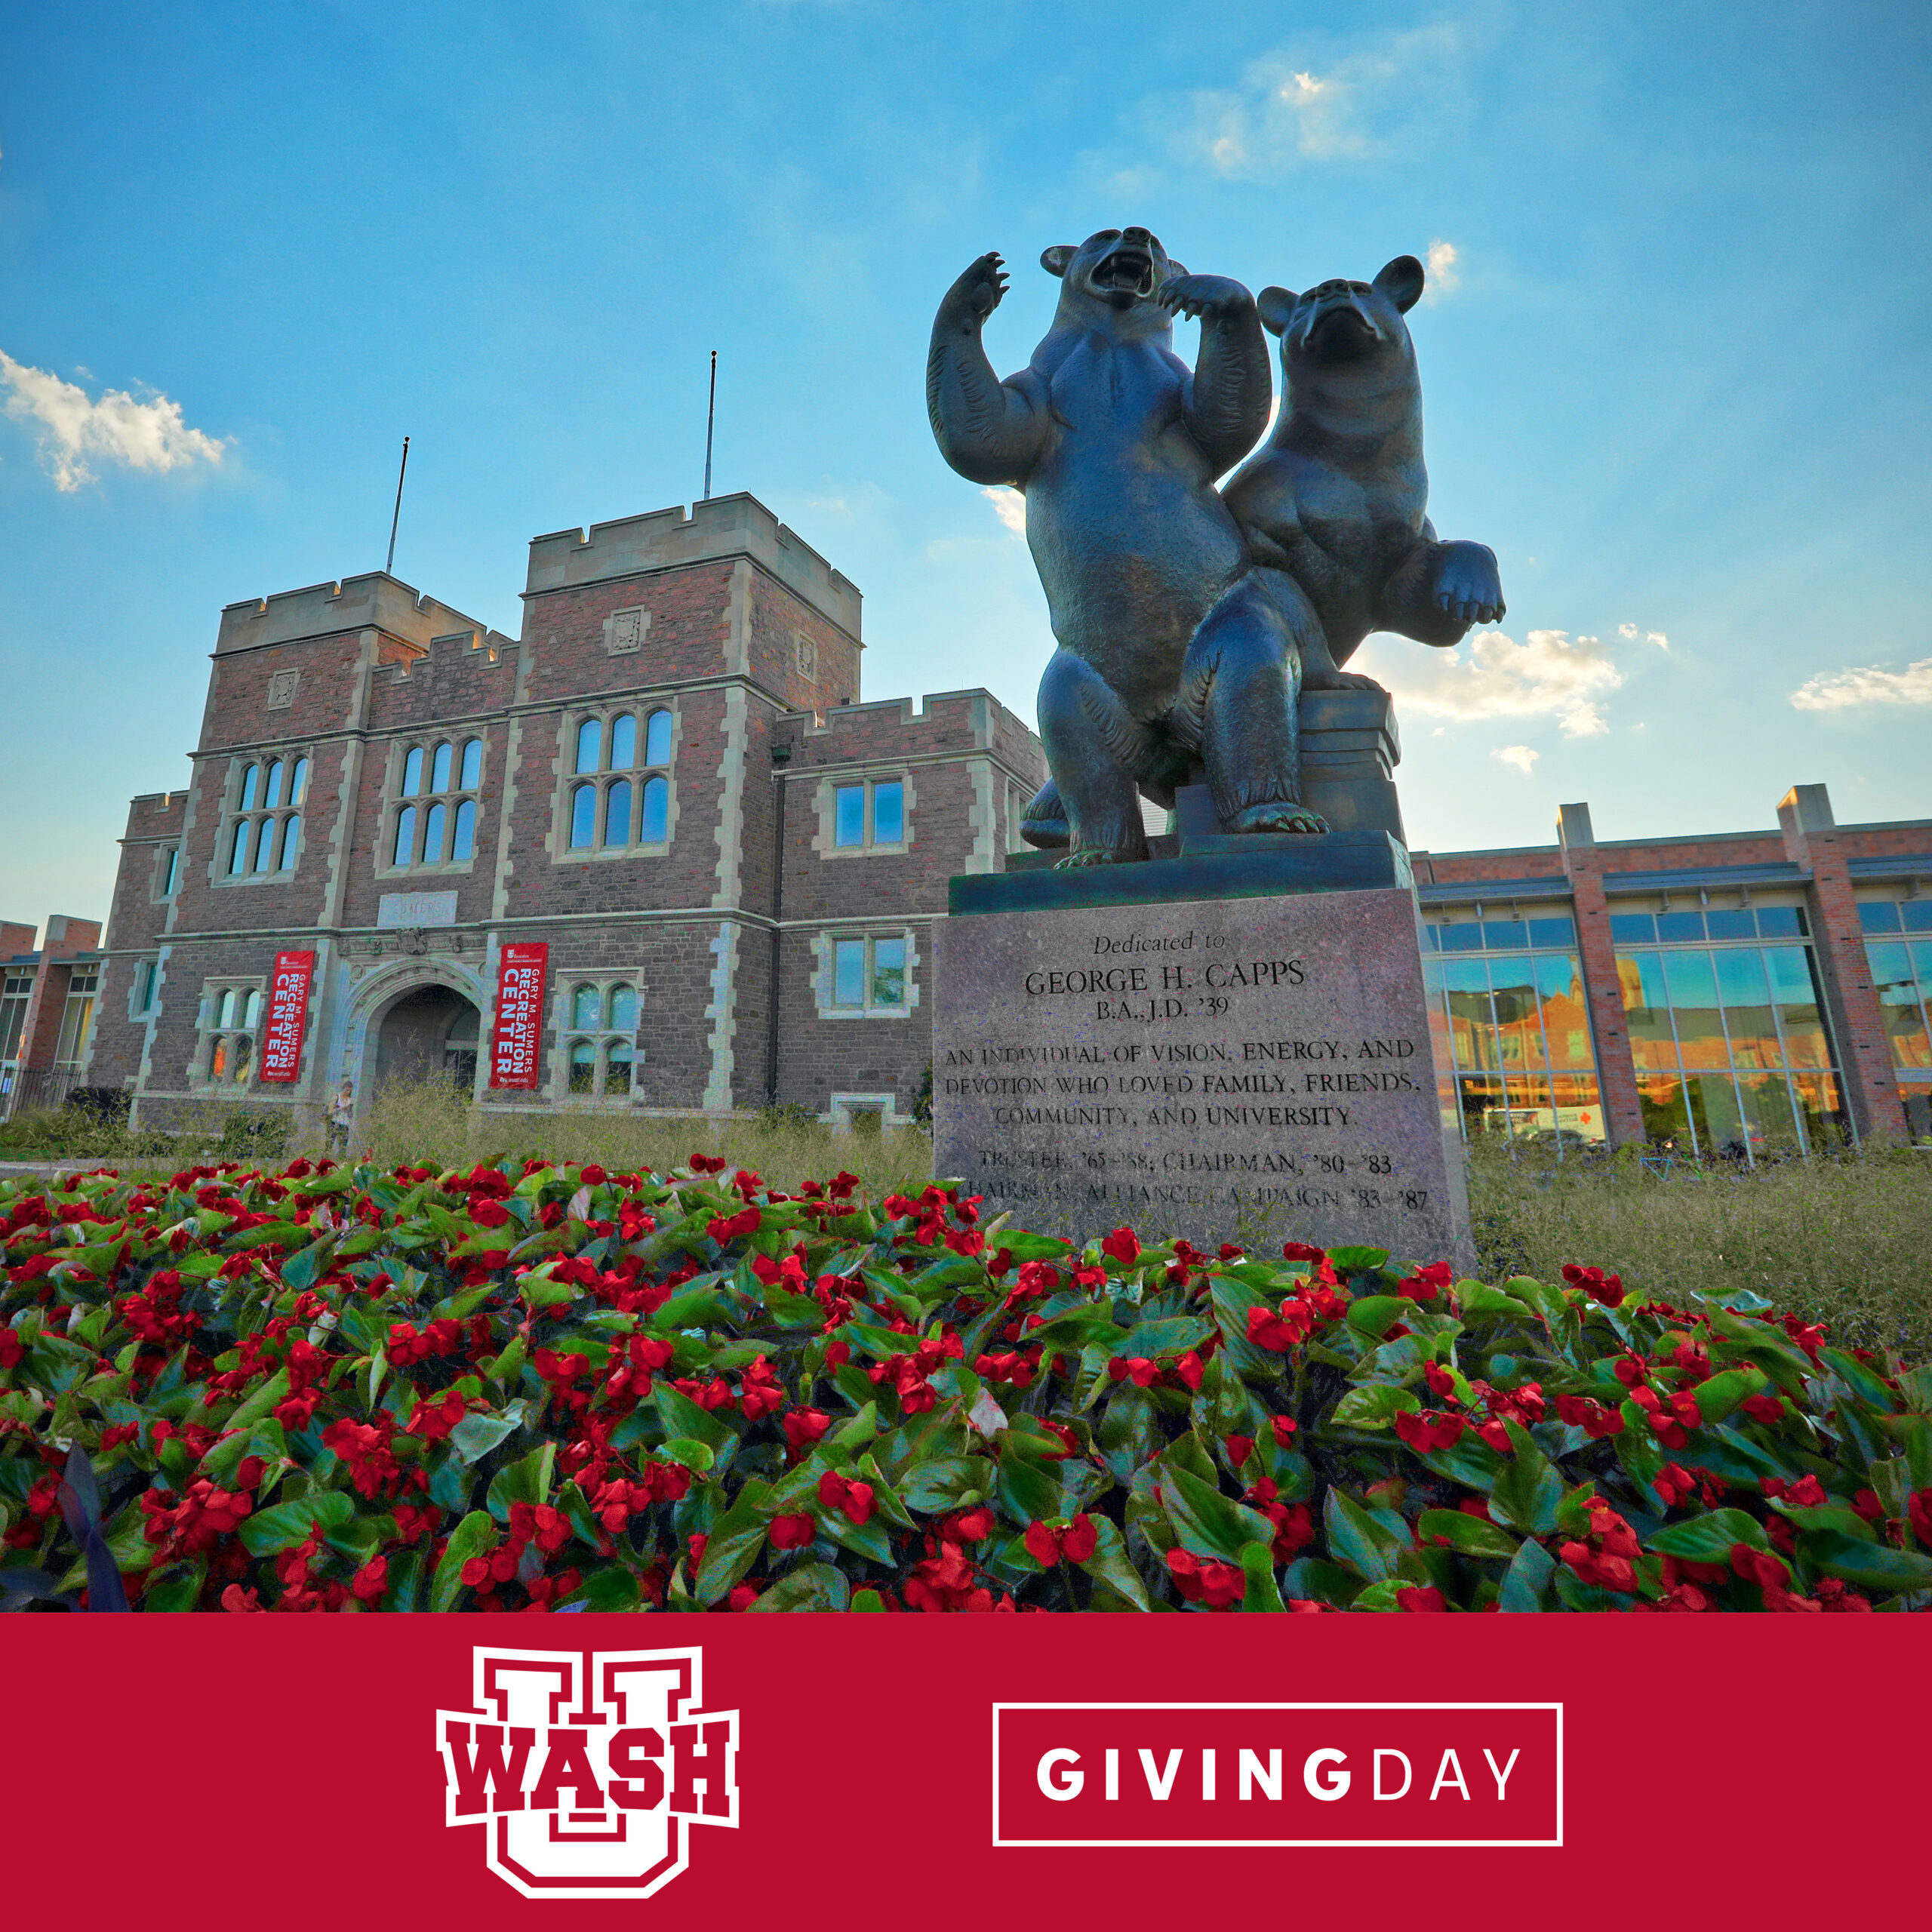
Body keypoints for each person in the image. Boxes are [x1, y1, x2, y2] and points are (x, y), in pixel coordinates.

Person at [326, 1078, 354, 1155]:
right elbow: (330, 1112)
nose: (348, 1092)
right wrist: (341, 1108)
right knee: (330, 1143)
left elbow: (351, 1116)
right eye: (347, 1090)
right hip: (335, 1122)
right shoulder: (336, 1097)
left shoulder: (350, 1100)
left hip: (345, 1124)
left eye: (350, 1090)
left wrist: (350, 1108)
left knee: (343, 1146)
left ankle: (341, 1160)